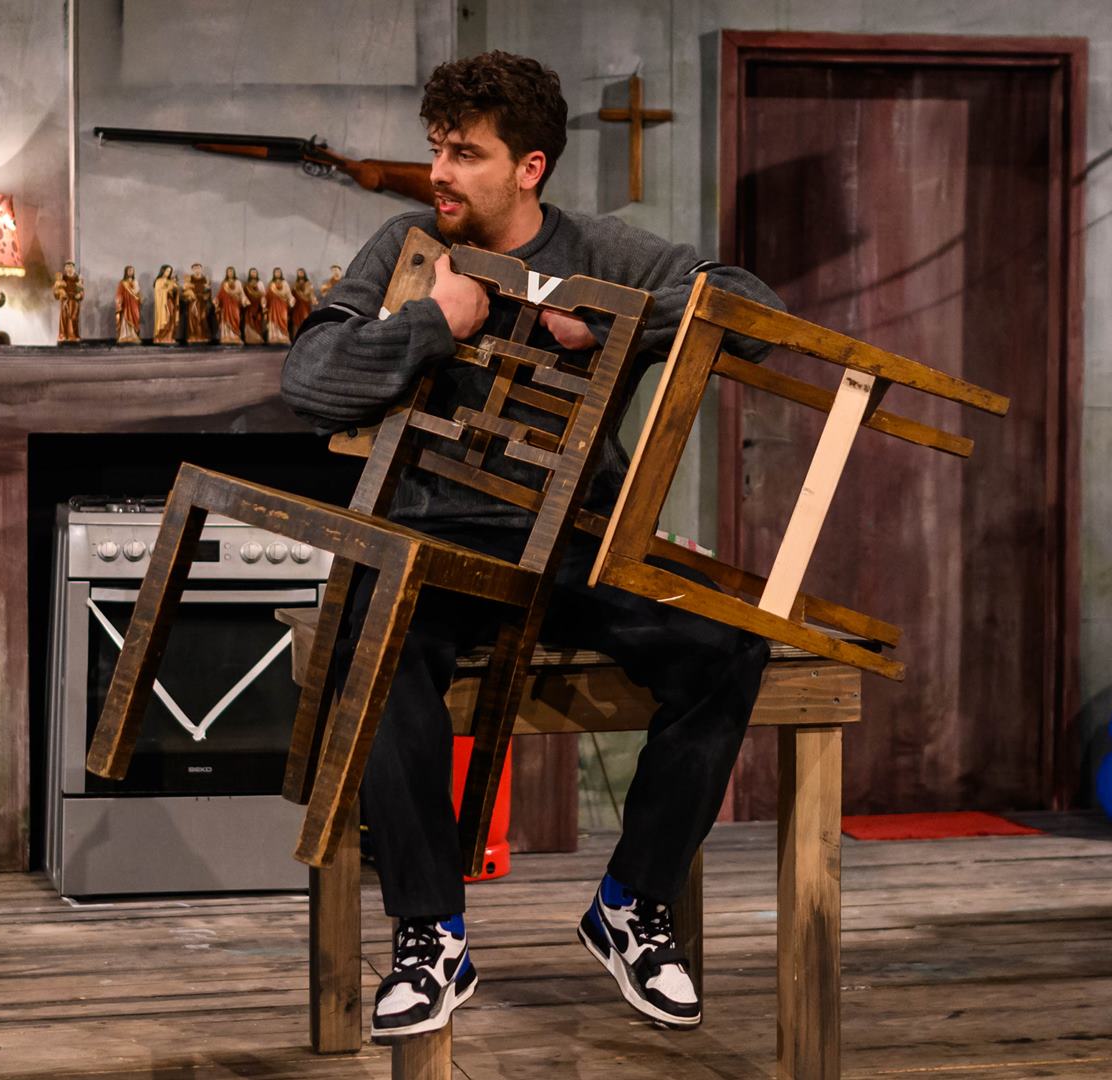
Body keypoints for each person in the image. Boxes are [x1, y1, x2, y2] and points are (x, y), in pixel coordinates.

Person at [280, 50, 785, 1042]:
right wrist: (432, 322)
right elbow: (308, 380)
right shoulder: (406, 247)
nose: (440, 172)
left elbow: (753, 313)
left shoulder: (604, 250)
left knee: (727, 642)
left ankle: (632, 904)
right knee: (376, 642)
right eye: (437, 148)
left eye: (465, 154)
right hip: (432, 544)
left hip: (576, 546)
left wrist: (619, 322)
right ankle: (430, 932)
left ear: (529, 168)